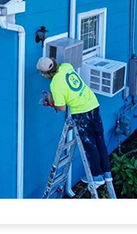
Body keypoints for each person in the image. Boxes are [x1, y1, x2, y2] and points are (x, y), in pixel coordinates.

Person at [37, 56, 112, 187]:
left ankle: (97, 176)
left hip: (82, 112)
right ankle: (107, 173)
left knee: (90, 145)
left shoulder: (55, 84)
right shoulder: (66, 66)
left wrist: (52, 102)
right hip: (93, 104)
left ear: (45, 73)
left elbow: (62, 108)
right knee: (99, 139)